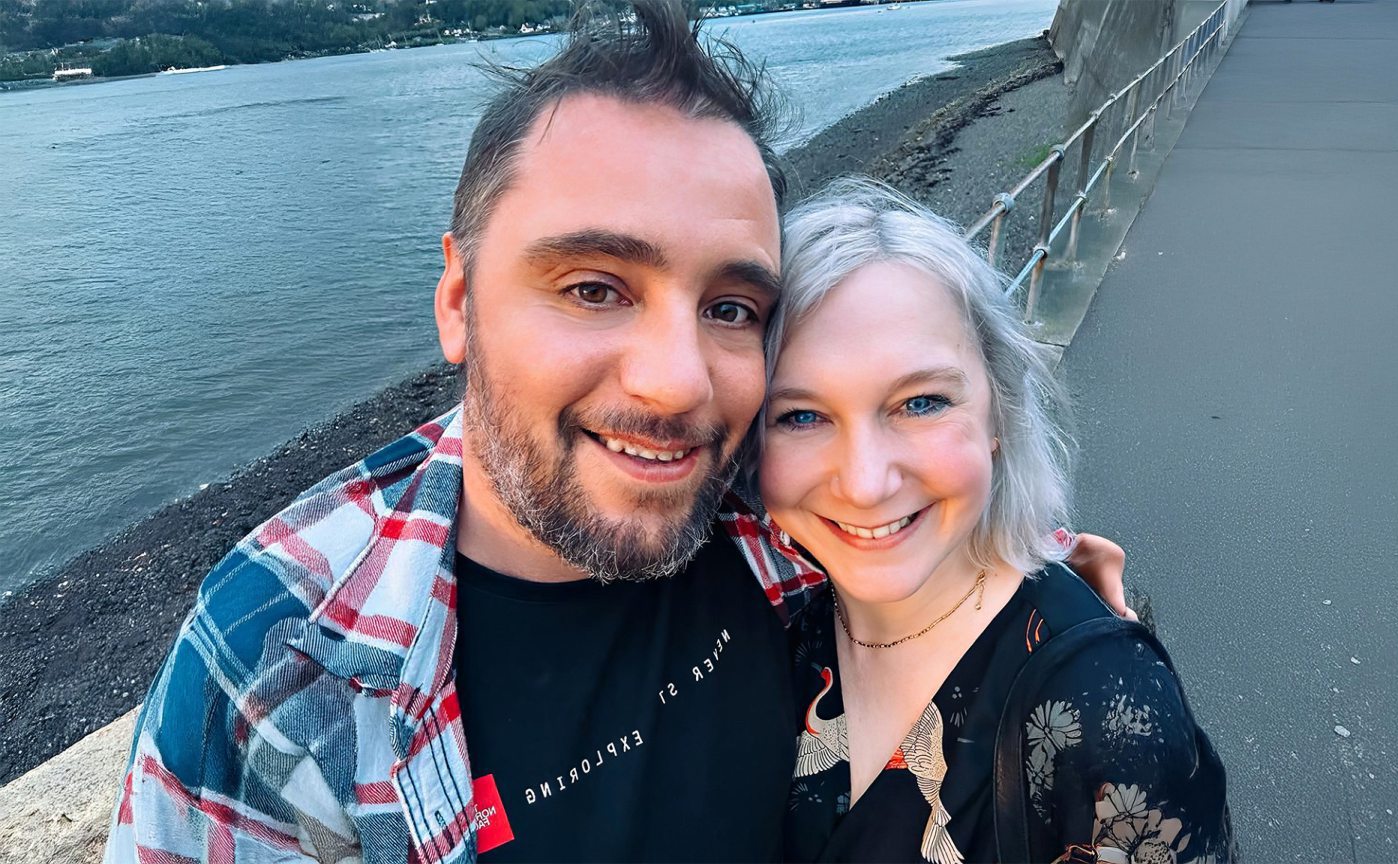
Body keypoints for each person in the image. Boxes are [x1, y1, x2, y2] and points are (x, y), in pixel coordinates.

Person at [104, 4, 1129, 862]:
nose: (678, 383)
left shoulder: (772, 505)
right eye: (595, 288)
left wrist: (1055, 587)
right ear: (458, 302)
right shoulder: (279, 676)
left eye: (729, 308)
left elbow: (912, 509)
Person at [763, 178, 1230, 864]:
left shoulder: (1108, 714)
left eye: (921, 403)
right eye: (801, 416)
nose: (865, 483)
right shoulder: (771, 634)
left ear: (998, 415)